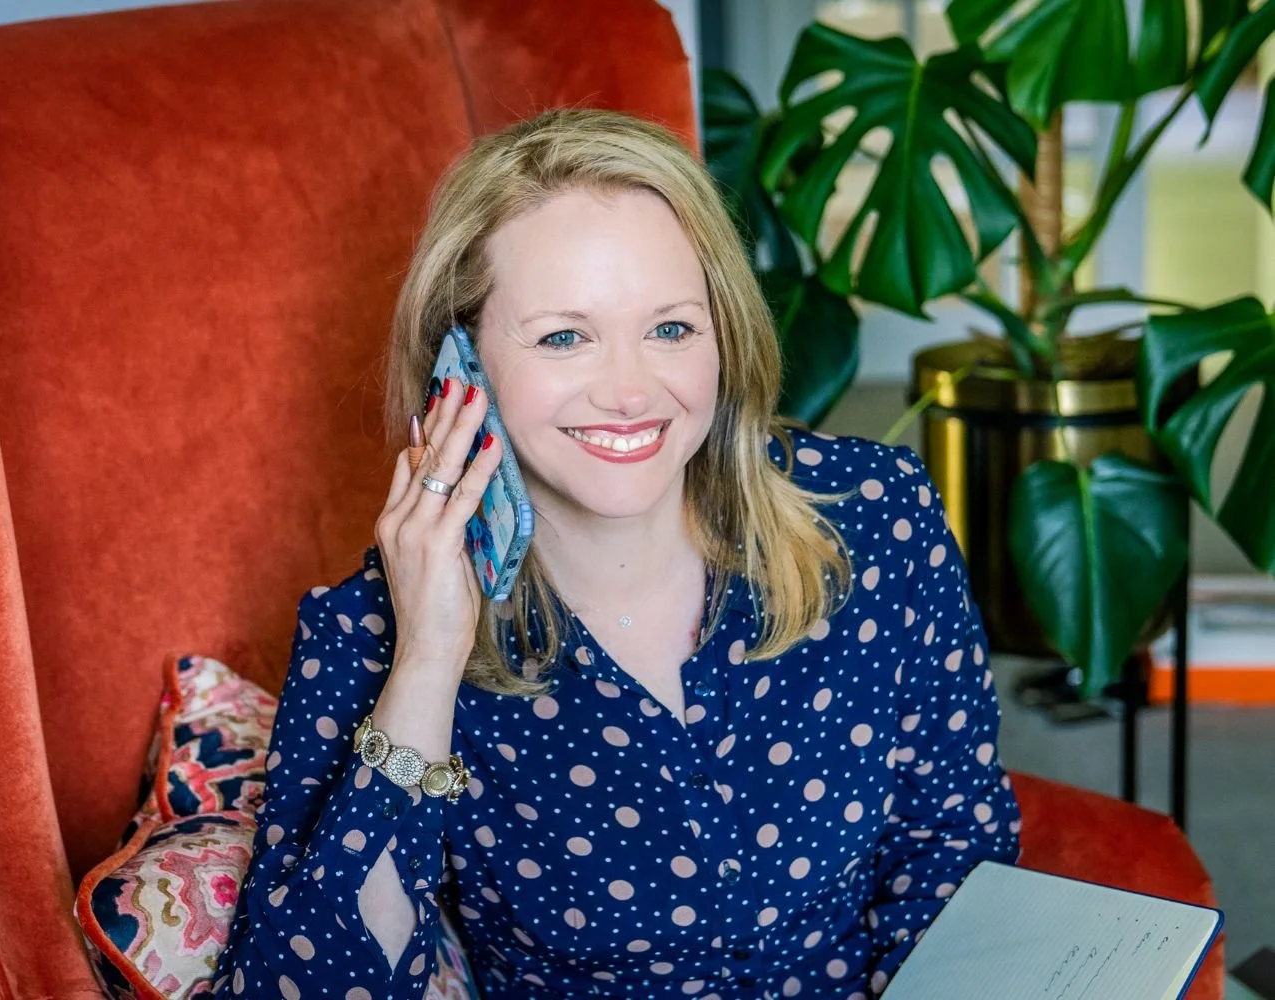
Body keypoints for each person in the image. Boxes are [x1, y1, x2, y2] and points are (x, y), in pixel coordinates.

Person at [213, 108, 1020, 1000]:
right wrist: (429, 661)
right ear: (459, 366)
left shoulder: (873, 517)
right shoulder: (370, 631)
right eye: (565, 336)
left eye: (670, 328)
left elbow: (953, 842)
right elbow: (310, 986)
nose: (631, 392)